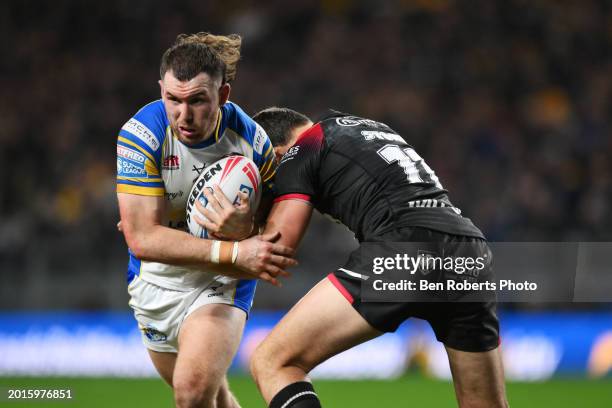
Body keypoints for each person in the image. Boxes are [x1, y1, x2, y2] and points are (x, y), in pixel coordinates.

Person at [245, 107, 508, 408]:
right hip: (469, 248)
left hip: (405, 247)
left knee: (272, 361)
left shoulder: (300, 150)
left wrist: (235, 229)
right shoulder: (363, 128)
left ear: (275, 155)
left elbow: (277, 248)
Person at [116, 34, 296, 408]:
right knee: (213, 398)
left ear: (223, 94)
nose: (184, 115)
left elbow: (272, 242)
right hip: (156, 281)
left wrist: (247, 232)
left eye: (197, 100)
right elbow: (143, 240)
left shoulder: (253, 143)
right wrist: (232, 248)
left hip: (220, 282)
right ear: (160, 91)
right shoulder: (141, 136)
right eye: (173, 100)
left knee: (192, 391)